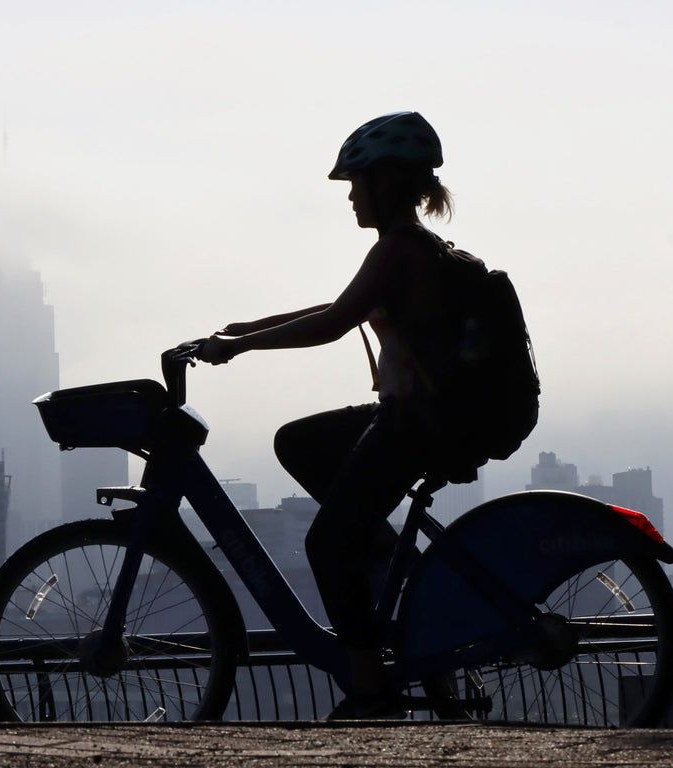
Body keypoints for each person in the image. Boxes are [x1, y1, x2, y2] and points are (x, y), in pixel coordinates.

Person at [198, 111, 486, 719]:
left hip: (414, 422)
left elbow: (333, 324)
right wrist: (253, 326)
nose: (351, 196)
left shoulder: (397, 250)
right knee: (299, 442)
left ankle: (369, 687)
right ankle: (379, 547)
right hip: (418, 414)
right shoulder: (412, 249)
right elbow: (342, 306)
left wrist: (240, 347)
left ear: (385, 184)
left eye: (357, 183)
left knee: (327, 544)